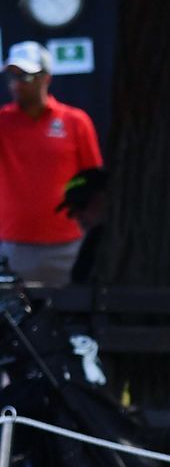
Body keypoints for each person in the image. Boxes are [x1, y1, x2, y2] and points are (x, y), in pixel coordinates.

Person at [0, 41, 102, 286]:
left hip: (69, 245)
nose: (17, 84)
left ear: (46, 78)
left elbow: (93, 180)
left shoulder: (76, 122)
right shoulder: (2, 122)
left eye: (25, 76)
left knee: (72, 319)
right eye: (12, 76)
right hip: (13, 245)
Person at [58, 167, 108, 283]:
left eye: (81, 204)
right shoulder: (92, 240)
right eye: (71, 211)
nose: (78, 216)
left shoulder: (108, 241)